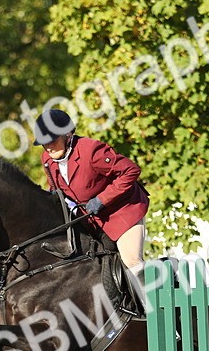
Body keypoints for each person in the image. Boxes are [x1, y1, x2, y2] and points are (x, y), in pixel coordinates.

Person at [32, 108, 149, 277]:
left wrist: (102, 199)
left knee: (131, 262)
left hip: (123, 212)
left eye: (52, 140)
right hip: (92, 220)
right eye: (44, 142)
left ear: (67, 135)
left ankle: (151, 300)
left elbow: (131, 171)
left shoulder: (91, 150)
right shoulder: (47, 160)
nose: (48, 147)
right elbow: (56, 191)